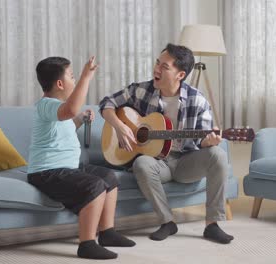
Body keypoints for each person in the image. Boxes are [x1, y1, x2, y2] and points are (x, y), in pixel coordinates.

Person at [99, 43, 234, 244]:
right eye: (157, 63)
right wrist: (119, 126)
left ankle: (212, 225)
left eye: (164, 67)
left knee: (218, 154)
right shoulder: (140, 90)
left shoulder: (197, 100)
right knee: (141, 163)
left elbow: (203, 140)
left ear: (180, 74)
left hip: (185, 161)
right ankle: (167, 222)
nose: (157, 69)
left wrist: (210, 140)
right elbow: (106, 103)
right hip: (157, 163)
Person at [27, 56, 135, 260]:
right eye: (72, 76)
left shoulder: (58, 110)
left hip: (68, 168)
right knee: (94, 185)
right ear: (60, 84)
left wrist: (80, 120)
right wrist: (87, 76)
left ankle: (107, 232)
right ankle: (86, 244)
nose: (75, 80)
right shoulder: (47, 105)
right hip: (46, 172)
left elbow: (65, 124)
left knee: (109, 177)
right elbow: (70, 110)